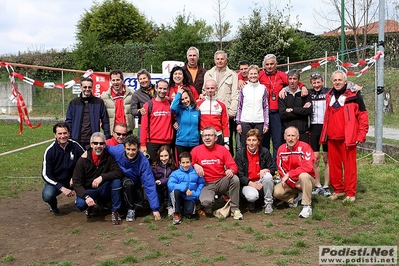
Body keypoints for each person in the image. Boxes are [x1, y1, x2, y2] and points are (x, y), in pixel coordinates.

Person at [246, 54, 307, 159]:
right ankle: (264, 165)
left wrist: (303, 87)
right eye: (267, 64)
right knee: (263, 140)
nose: (269, 66)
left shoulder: (282, 75)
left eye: (271, 64)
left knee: (277, 141)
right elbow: (245, 75)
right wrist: (239, 80)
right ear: (264, 65)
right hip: (262, 114)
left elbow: (294, 81)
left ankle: (276, 167)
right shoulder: (259, 75)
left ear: (276, 64)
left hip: (277, 113)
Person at [320, 70, 368, 202]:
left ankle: (350, 193)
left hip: (348, 139)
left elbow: (363, 116)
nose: (337, 82)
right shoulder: (329, 95)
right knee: (334, 166)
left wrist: (361, 135)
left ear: (345, 81)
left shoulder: (354, 95)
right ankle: (338, 190)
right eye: (335, 80)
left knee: (349, 167)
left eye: (340, 80)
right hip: (332, 138)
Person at [191, 126, 243, 220]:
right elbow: (185, 166)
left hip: (221, 181)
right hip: (206, 184)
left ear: (216, 138)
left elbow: (233, 166)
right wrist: (194, 165)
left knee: (234, 179)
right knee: (206, 202)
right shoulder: (195, 150)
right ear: (202, 138)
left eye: (210, 135)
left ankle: (235, 209)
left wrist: (230, 170)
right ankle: (208, 205)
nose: (207, 138)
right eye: (205, 135)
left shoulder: (222, 149)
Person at [73, 132, 124, 225]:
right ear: (91, 144)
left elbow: (119, 172)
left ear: (105, 145)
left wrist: (102, 177)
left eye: (101, 143)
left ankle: (115, 211)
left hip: (103, 188)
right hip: (88, 190)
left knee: (116, 182)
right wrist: (86, 197)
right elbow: (76, 183)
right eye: (95, 143)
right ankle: (90, 206)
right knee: (80, 204)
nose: (98, 146)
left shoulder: (108, 157)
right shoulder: (82, 160)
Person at [107, 134, 161, 221]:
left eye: (133, 149)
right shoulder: (117, 150)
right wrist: (89, 151)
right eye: (128, 149)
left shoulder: (143, 162)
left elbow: (149, 184)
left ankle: (130, 209)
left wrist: (155, 209)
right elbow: (104, 147)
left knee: (128, 184)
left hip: (133, 183)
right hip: (118, 177)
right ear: (124, 148)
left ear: (138, 149)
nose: (130, 152)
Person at [41, 122, 85, 214]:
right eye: (59, 133)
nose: (63, 136)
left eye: (65, 133)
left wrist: (75, 177)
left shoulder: (76, 146)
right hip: (57, 182)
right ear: (55, 135)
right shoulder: (50, 151)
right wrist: (60, 187)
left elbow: (86, 162)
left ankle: (88, 205)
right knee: (48, 195)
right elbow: (45, 174)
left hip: (74, 180)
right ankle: (53, 206)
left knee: (83, 203)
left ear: (69, 133)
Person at [274, 126, 316, 218]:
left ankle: (306, 206)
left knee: (303, 176)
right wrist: (293, 183)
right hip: (292, 183)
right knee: (277, 192)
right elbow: (280, 169)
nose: (290, 138)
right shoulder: (281, 149)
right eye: (288, 135)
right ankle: (296, 198)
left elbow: (308, 167)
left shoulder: (305, 147)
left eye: (293, 136)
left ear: (298, 137)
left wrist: (290, 174)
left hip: (306, 180)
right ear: (284, 137)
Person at [203, 50, 239, 156]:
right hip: (211, 112)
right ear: (214, 60)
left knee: (227, 139)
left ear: (226, 60)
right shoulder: (208, 73)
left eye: (222, 59)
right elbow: (204, 91)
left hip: (226, 111)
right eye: (217, 59)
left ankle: (228, 160)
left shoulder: (232, 75)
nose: (220, 61)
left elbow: (235, 94)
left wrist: (232, 111)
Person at [235, 129, 277, 214]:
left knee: (268, 176)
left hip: (261, 181)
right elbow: (239, 174)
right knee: (252, 196)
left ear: (258, 142)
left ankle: (268, 203)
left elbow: (273, 168)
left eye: (254, 140)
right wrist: (252, 184)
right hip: (248, 183)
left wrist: (267, 170)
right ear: (246, 141)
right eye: (249, 140)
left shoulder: (265, 152)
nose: (251, 143)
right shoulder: (240, 154)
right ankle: (251, 201)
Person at [66, 77, 110, 148]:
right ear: (81, 87)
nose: (87, 89)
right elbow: (68, 121)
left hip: (93, 141)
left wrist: (107, 137)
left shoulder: (99, 102)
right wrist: (70, 137)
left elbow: (105, 121)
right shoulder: (74, 103)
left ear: (92, 87)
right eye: (85, 87)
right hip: (76, 140)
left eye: (89, 87)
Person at [308, 72, 331, 197]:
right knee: (315, 159)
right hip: (314, 127)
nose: (317, 85)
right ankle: (317, 185)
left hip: (326, 127)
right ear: (311, 83)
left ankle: (327, 186)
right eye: (314, 83)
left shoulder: (328, 91)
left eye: (318, 82)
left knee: (327, 159)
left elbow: (344, 86)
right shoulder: (308, 93)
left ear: (322, 82)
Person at [140, 79, 173, 162]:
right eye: (160, 88)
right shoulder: (148, 105)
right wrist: (143, 144)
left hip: (167, 142)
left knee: (165, 168)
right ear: (156, 88)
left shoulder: (171, 104)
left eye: (165, 89)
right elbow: (144, 126)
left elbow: (176, 118)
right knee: (151, 167)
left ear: (168, 90)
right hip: (152, 142)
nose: (162, 91)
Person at [236, 65, 269, 147]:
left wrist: (266, 123)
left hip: (259, 121)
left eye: (255, 74)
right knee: (245, 145)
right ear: (248, 75)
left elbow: (265, 107)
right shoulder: (243, 88)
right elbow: (239, 106)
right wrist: (239, 123)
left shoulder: (263, 88)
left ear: (258, 75)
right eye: (251, 74)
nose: (253, 76)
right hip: (245, 121)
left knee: (258, 145)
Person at [168, 152, 205, 225]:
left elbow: (201, 183)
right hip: (179, 196)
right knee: (175, 191)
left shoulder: (196, 172)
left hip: (190, 196)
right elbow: (170, 184)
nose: (185, 165)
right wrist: (184, 188)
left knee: (189, 214)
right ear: (179, 163)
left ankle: (185, 209)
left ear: (191, 162)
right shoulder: (175, 173)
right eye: (183, 162)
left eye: (187, 162)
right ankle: (176, 213)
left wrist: (196, 193)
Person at [278, 69, 312, 143]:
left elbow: (308, 111)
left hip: (302, 131)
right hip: (288, 132)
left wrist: (292, 110)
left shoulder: (305, 93)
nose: (292, 81)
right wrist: (301, 111)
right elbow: (282, 114)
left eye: (294, 79)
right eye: (290, 79)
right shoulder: (282, 94)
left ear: (298, 80)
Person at [197, 79, 229, 147]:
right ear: (204, 89)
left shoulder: (222, 104)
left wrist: (226, 142)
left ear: (216, 88)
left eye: (212, 88)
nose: (210, 90)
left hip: (217, 136)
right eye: (208, 88)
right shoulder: (198, 104)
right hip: (203, 136)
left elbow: (225, 124)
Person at [101, 70, 135, 134]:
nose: (115, 82)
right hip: (113, 131)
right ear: (110, 81)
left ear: (122, 80)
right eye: (113, 80)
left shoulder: (132, 94)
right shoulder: (104, 96)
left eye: (118, 80)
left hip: (127, 131)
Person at [170, 86, 201, 157]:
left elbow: (199, 124)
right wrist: (178, 94)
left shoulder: (196, 110)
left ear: (190, 97)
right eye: (182, 99)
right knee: (182, 164)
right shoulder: (179, 110)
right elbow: (172, 107)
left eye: (186, 98)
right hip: (181, 143)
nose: (185, 101)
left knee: (193, 164)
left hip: (194, 143)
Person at [151, 145, 177, 213]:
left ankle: (170, 206)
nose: (163, 158)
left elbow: (173, 178)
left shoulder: (173, 166)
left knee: (171, 185)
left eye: (166, 155)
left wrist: (162, 181)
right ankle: (160, 204)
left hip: (169, 189)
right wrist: (155, 182)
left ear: (170, 155)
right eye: (161, 156)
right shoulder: (155, 166)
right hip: (159, 189)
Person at [130, 69, 155, 137]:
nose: (143, 80)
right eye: (140, 79)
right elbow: (133, 110)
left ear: (149, 78)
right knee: (142, 146)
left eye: (144, 78)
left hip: (157, 122)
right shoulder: (136, 94)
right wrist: (139, 111)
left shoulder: (157, 89)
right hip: (143, 124)